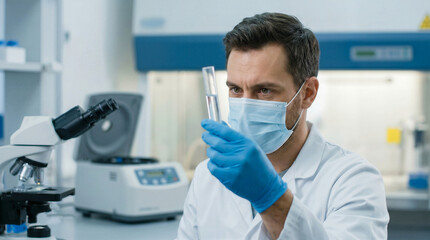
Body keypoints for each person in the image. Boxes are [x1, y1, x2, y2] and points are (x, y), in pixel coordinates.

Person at [176, 12, 389, 240]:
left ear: (308, 93)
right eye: (236, 89)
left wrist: (269, 195)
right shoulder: (207, 176)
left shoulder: (353, 179)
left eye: (264, 90)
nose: (246, 106)